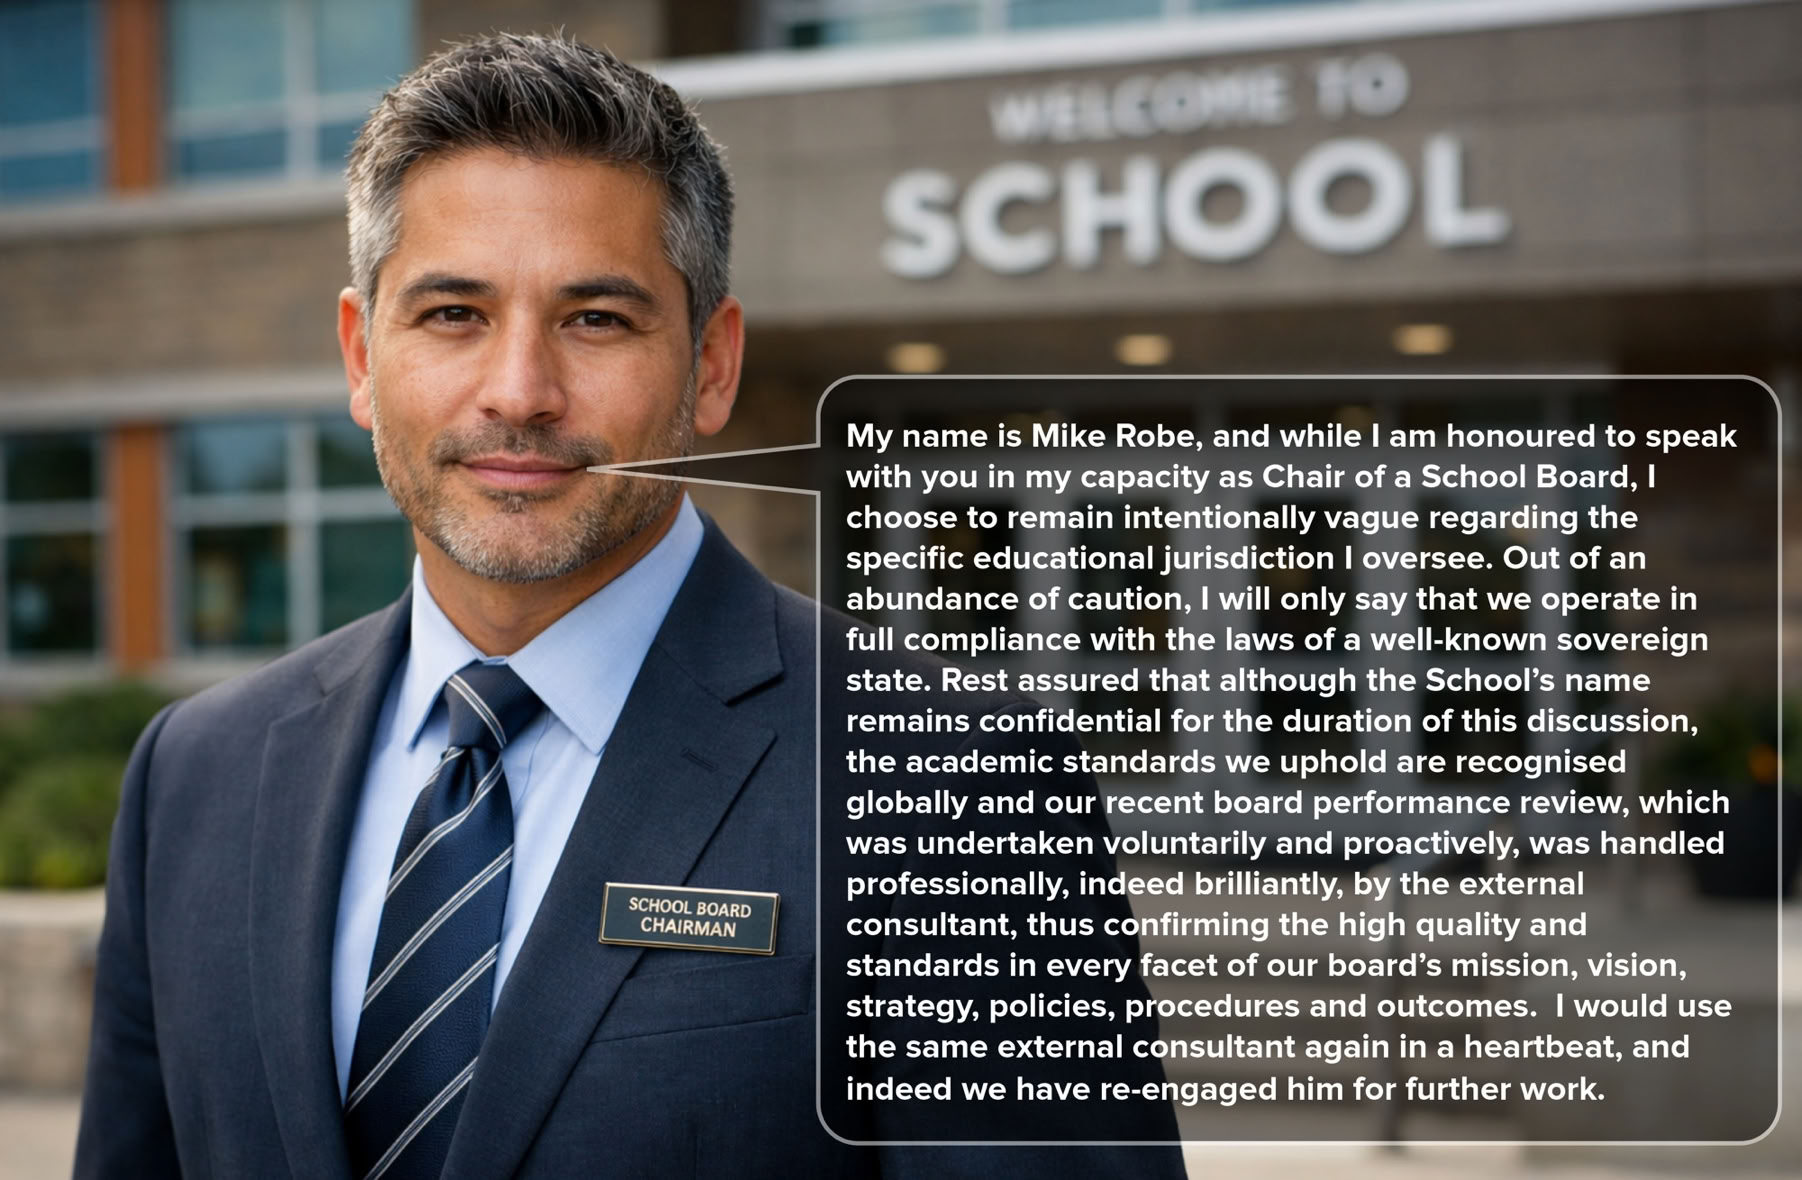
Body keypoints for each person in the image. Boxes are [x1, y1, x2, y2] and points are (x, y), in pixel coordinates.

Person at [74, 33, 1185, 1179]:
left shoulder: (947, 789)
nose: (519, 392)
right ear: (363, 356)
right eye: (452, 313)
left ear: (709, 364)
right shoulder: (196, 775)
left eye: (595, 319)